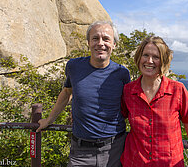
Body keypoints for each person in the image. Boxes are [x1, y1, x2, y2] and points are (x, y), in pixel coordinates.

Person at [36, 21, 131, 167]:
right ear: (88, 42)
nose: (100, 43)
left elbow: (129, 106)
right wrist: (49, 120)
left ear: (114, 45)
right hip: (80, 151)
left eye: (106, 39)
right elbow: (67, 92)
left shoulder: (122, 73)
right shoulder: (74, 67)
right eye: (95, 38)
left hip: (114, 149)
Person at [121, 36, 188, 167]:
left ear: (163, 61)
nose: (149, 61)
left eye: (156, 57)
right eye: (145, 55)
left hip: (170, 163)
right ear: (139, 57)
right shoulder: (128, 91)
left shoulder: (177, 90)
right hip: (134, 162)